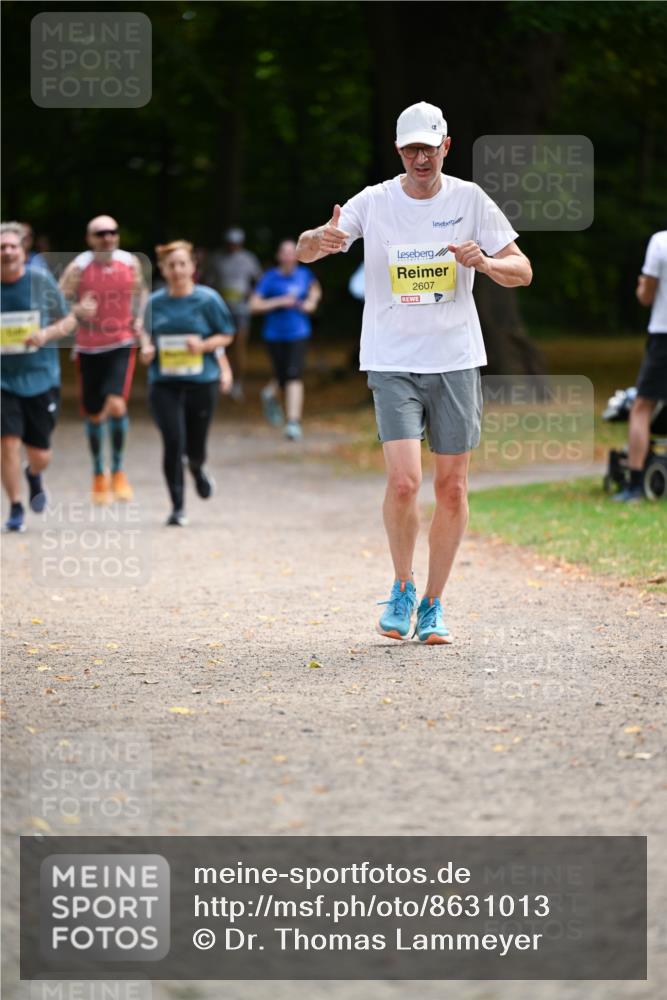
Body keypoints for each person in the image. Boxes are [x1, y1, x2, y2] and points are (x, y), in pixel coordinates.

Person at [296, 101, 532, 644]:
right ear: (398, 150)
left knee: (452, 487)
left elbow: (522, 269)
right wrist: (318, 239)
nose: (421, 158)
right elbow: (308, 249)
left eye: (429, 147)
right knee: (404, 482)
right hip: (392, 359)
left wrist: (485, 263)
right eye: (411, 150)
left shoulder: (470, 199)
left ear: (446, 146)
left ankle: (433, 603)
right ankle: (402, 587)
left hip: (454, 359)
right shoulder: (375, 201)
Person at [138, 240, 235, 526]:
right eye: (171, 265)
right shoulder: (155, 302)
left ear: (192, 267)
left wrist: (203, 346)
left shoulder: (208, 299)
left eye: (182, 264)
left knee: (195, 446)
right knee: (173, 442)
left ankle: (197, 467)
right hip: (164, 384)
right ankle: (177, 507)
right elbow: (143, 333)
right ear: (163, 269)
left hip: (201, 383)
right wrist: (146, 349)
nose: (177, 270)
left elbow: (227, 334)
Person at [60, 215, 148, 504]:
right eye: (101, 233)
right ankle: (99, 474)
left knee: (117, 404)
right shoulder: (79, 267)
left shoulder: (130, 263)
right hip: (88, 347)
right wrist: (77, 309)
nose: (107, 237)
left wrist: (139, 319)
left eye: (112, 232)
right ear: (90, 239)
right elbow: (58, 298)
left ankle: (119, 471)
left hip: (121, 342)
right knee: (95, 413)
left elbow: (141, 293)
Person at [1, 222, 76, 532]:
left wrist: (45, 334)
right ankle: (16, 506)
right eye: (1, 247)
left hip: (41, 377)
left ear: (23, 251)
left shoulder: (40, 280)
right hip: (3, 380)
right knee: (7, 443)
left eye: (12, 246)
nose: (7, 252)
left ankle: (34, 474)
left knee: (40, 454)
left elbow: (68, 321)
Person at [612, 230, 667, 502]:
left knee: (642, 406)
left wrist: (641, 287)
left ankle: (635, 484)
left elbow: (646, 296)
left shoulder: (661, 242)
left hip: (663, 334)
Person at [249, 239, 321, 441]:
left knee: (293, 375)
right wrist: (279, 302)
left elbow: (315, 290)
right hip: (274, 335)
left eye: (292, 252)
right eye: (285, 252)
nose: (289, 256)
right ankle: (270, 394)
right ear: (279, 256)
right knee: (282, 377)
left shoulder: (305, 274)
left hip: (299, 333)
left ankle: (293, 422)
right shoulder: (269, 278)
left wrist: (311, 303)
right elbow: (253, 305)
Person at [201, 227, 260, 401]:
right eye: (230, 243)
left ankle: (238, 383)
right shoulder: (217, 259)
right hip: (222, 308)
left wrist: (252, 295)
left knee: (239, 347)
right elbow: (207, 280)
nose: (233, 246)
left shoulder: (248, 259)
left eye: (236, 243)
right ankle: (219, 380)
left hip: (241, 310)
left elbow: (259, 281)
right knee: (219, 346)